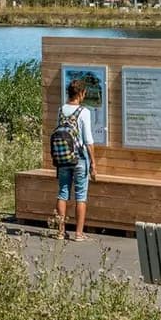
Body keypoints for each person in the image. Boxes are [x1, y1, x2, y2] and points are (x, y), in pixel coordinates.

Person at [55, 77, 97, 241]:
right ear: (81, 93)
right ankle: (78, 234)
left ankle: (60, 231)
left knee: (62, 193)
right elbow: (88, 140)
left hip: (63, 157)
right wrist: (93, 163)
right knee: (81, 195)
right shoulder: (83, 112)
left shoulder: (61, 110)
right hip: (79, 157)